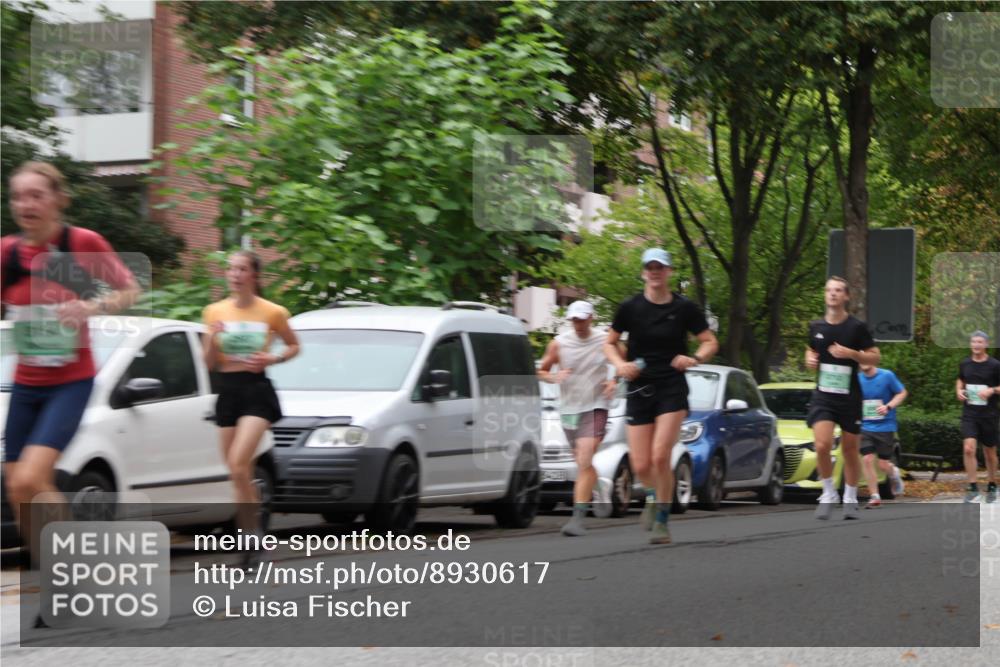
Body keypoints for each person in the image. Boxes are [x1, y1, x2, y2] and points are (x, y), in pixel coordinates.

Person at [2, 162, 140, 597]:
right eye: (18, 196)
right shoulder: (7, 254)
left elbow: (130, 290)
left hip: (71, 381)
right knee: (16, 484)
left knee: (29, 479)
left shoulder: (80, 244)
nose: (26, 204)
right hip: (26, 384)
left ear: (59, 199)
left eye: (36, 195)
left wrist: (91, 307)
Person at [604, 249, 718, 545]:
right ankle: (654, 497)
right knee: (641, 465)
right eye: (650, 267)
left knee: (660, 455)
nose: (655, 271)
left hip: (671, 386)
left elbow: (709, 341)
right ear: (643, 272)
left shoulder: (684, 308)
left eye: (660, 267)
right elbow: (609, 342)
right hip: (639, 387)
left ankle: (663, 522)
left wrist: (693, 358)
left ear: (668, 272)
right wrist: (620, 365)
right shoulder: (630, 307)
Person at [202, 250, 300, 564]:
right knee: (235, 470)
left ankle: (250, 538)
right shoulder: (214, 311)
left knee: (239, 462)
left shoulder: (272, 312)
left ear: (254, 275)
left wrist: (273, 358)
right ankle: (252, 538)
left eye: (242, 269)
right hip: (227, 390)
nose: (235, 274)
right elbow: (210, 364)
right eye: (231, 269)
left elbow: (294, 345)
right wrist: (210, 339)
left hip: (256, 391)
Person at [538, 300, 616, 537]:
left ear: (591, 317)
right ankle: (599, 487)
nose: (579, 324)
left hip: (596, 405)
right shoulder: (559, 344)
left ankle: (577, 519)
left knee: (584, 458)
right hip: (569, 408)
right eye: (575, 320)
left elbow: (622, 363)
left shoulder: (605, 340)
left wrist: (614, 381)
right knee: (582, 462)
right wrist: (553, 377)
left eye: (583, 319)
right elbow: (540, 370)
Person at [805, 276, 880, 520]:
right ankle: (828, 493)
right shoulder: (816, 327)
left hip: (849, 396)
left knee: (849, 449)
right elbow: (810, 351)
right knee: (822, 445)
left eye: (838, 290)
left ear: (846, 296)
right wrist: (809, 360)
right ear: (825, 295)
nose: (833, 294)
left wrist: (851, 354)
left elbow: (875, 357)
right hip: (823, 396)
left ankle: (849, 496)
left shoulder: (856, 328)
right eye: (829, 290)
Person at [956, 331, 1000, 503]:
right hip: (970, 413)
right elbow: (960, 379)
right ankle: (973, 487)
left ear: (986, 344)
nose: (976, 345)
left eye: (980, 342)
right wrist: (959, 390)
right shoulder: (965, 363)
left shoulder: (995, 365)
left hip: (988, 414)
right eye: (973, 341)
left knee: (989, 452)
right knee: (968, 448)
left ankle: (992, 484)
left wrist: (992, 390)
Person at [857, 363, 907, 508]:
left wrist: (888, 406)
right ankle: (874, 496)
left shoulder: (887, 375)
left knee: (883, 464)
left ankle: (894, 472)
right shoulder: (857, 379)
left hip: (885, 426)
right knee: (867, 459)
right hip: (865, 426)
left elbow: (902, 393)